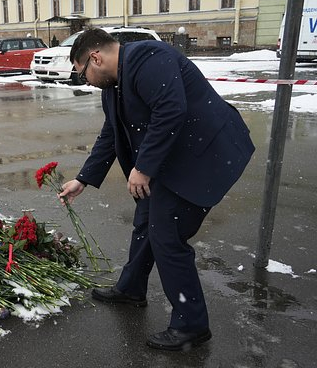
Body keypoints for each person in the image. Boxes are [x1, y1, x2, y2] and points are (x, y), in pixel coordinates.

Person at [58, 28, 255, 351]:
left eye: (83, 75)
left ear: (96, 58)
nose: (86, 82)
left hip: (203, 153)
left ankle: (191, 325)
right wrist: (83, 178)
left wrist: (144, 168)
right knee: (146, 219)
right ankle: (131, 288)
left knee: (167, 235)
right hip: (173, 157)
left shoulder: (149, 58)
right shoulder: (114, 83)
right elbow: (112, 132)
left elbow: (170, 109)